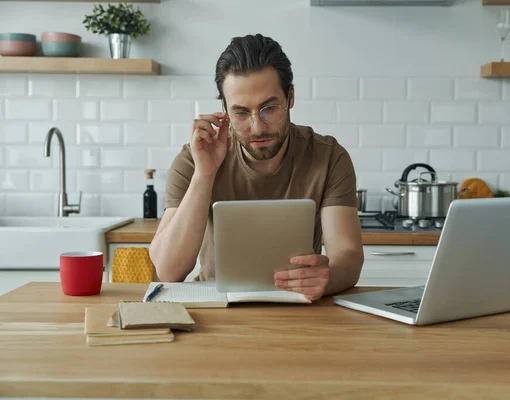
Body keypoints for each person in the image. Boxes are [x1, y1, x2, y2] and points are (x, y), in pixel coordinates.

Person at [149, 33, 364, 301]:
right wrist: (205, 174)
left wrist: (326, 278)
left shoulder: (329, 156)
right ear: (224, 109)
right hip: (216, 307)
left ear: (291, 97)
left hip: (301, 307)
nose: (257, 127)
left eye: (270, 108)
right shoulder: (194, 159)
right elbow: (169, 271)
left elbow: (348, 256)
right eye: (240, 113)